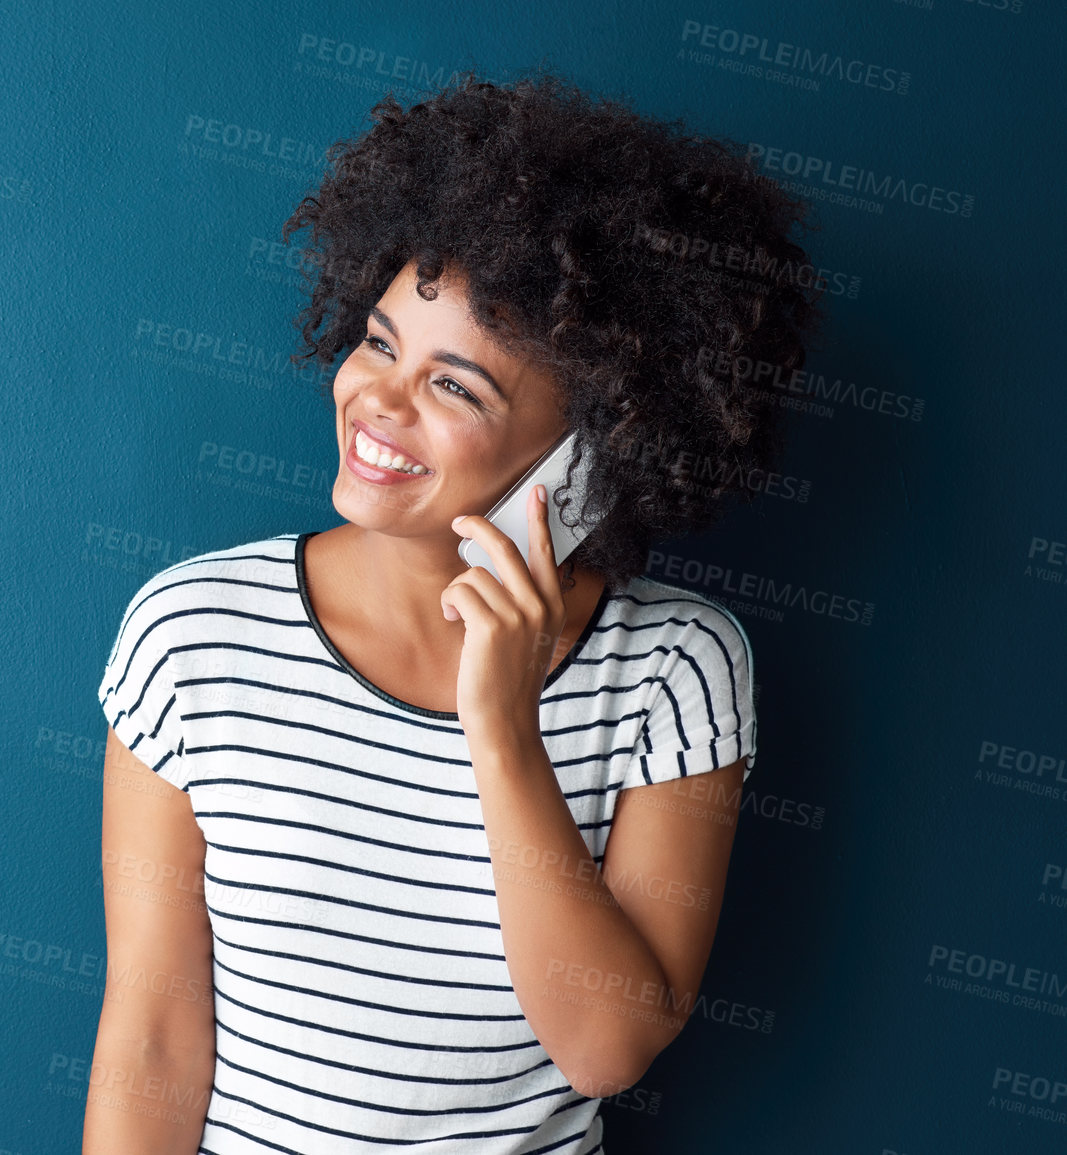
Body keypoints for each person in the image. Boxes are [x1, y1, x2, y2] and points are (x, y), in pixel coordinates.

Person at [83, 68, 824, 1154]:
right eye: (381, 342)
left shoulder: (678, 670)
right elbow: (150, 1037)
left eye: (456, 387)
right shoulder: (191, 633)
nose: (376, 401)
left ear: (588, 457)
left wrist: (503, 728)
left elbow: (606, 1048)